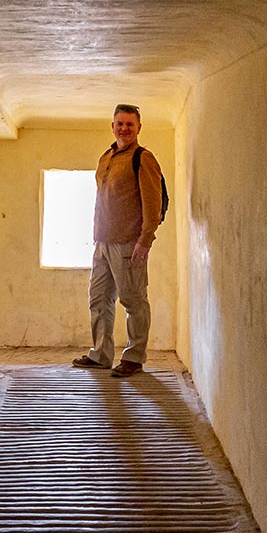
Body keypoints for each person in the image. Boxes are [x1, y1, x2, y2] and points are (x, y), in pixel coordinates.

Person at [73, 103, 165, 378]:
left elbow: (153, 202)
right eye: (120, 124)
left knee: (133, 300)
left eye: (130, 124)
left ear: (138, 128)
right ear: (112, 126)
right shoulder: (107, 157)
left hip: (128, 243)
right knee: (99, 298)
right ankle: (101, 355)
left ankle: (134, 358)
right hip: (102, 241)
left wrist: (145, 240)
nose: (124, 128)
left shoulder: (143, 158)